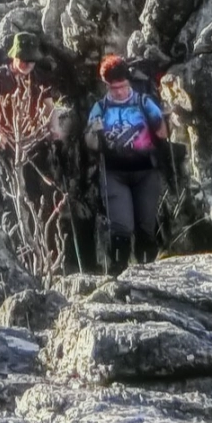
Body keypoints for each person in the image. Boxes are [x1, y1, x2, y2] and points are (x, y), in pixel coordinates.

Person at [85, 55, 169, 274]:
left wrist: (161, 122)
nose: (119, 92)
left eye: (122, 86)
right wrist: (94, 134)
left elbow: (163, 133)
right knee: (121, 228)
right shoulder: (99, 108)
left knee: (145, 228)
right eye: (114, 88)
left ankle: (150, 274)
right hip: (115, 174)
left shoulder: (143, 102)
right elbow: (90, 144)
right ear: (107, 86)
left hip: (146, 173)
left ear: (128, 82)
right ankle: (117, 276)